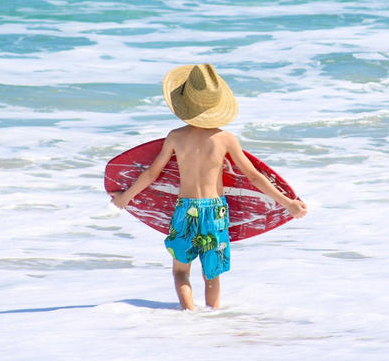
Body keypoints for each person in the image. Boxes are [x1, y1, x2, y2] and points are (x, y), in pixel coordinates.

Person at [109, 64, 307, 310]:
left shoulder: (175, 137)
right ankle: (212, 320)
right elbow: (254, 177)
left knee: (181, 271)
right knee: (212, 273)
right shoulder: (226, 139)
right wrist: (288, 203)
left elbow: (151, 174)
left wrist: (125, 198)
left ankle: (188, 314)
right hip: (215, 212)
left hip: (185, 210)